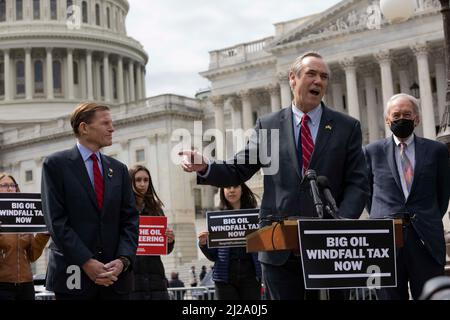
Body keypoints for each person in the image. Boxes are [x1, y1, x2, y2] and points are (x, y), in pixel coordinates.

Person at [179, 51, 368, 300]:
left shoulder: (347, 126)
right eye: (311, 74)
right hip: (279, 247)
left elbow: (358, 182)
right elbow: (239, 168)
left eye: (324, 76)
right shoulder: (269, 124)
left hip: (328, 247)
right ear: (293, 78)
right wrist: (206, 166)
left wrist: (341, 222)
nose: (318, 81)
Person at [41, 102, 139, 300]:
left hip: (115, 279)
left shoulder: (119, 169)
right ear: (84, 128)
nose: (112, 128)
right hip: (73, 278)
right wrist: (87, 262)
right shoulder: (55, 165)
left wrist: (122, 260)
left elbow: (130, 220)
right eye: (105, 123)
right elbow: (57, 222)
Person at [364, 93, 450, 300]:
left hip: (425, 240)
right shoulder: (371, 152)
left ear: (417, 119)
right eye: (396, 115)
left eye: (407, 114)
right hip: (386, 241)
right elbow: (368, 195)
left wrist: (425, 216)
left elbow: (443, 195)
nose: (401, 118)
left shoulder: (436, 150)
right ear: (387, 119)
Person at [198, 183, 262, 300]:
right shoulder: (216, 218)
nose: (231, 190)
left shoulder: (255, 215)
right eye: (227, 187)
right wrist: (203, 244)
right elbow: (213, 256)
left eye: (235, 186)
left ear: (242, 189)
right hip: (224, 279)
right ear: (222, 191)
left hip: (251, 277)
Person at [0, 173, 50, 300]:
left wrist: (43, 235)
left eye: (13, 185)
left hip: (26, 284)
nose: (10, 188)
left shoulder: (23, 217)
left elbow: (32, 255)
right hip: (3, 285)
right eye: (5, 185)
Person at [129, 165, 175, 300]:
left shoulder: (156, 208)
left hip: (156, 279)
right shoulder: (122, 209)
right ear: (130, 181)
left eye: (146, 180)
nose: (142, 184)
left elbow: (165, 249)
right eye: (138, 180)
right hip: (131, 280)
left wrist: (170, 240)